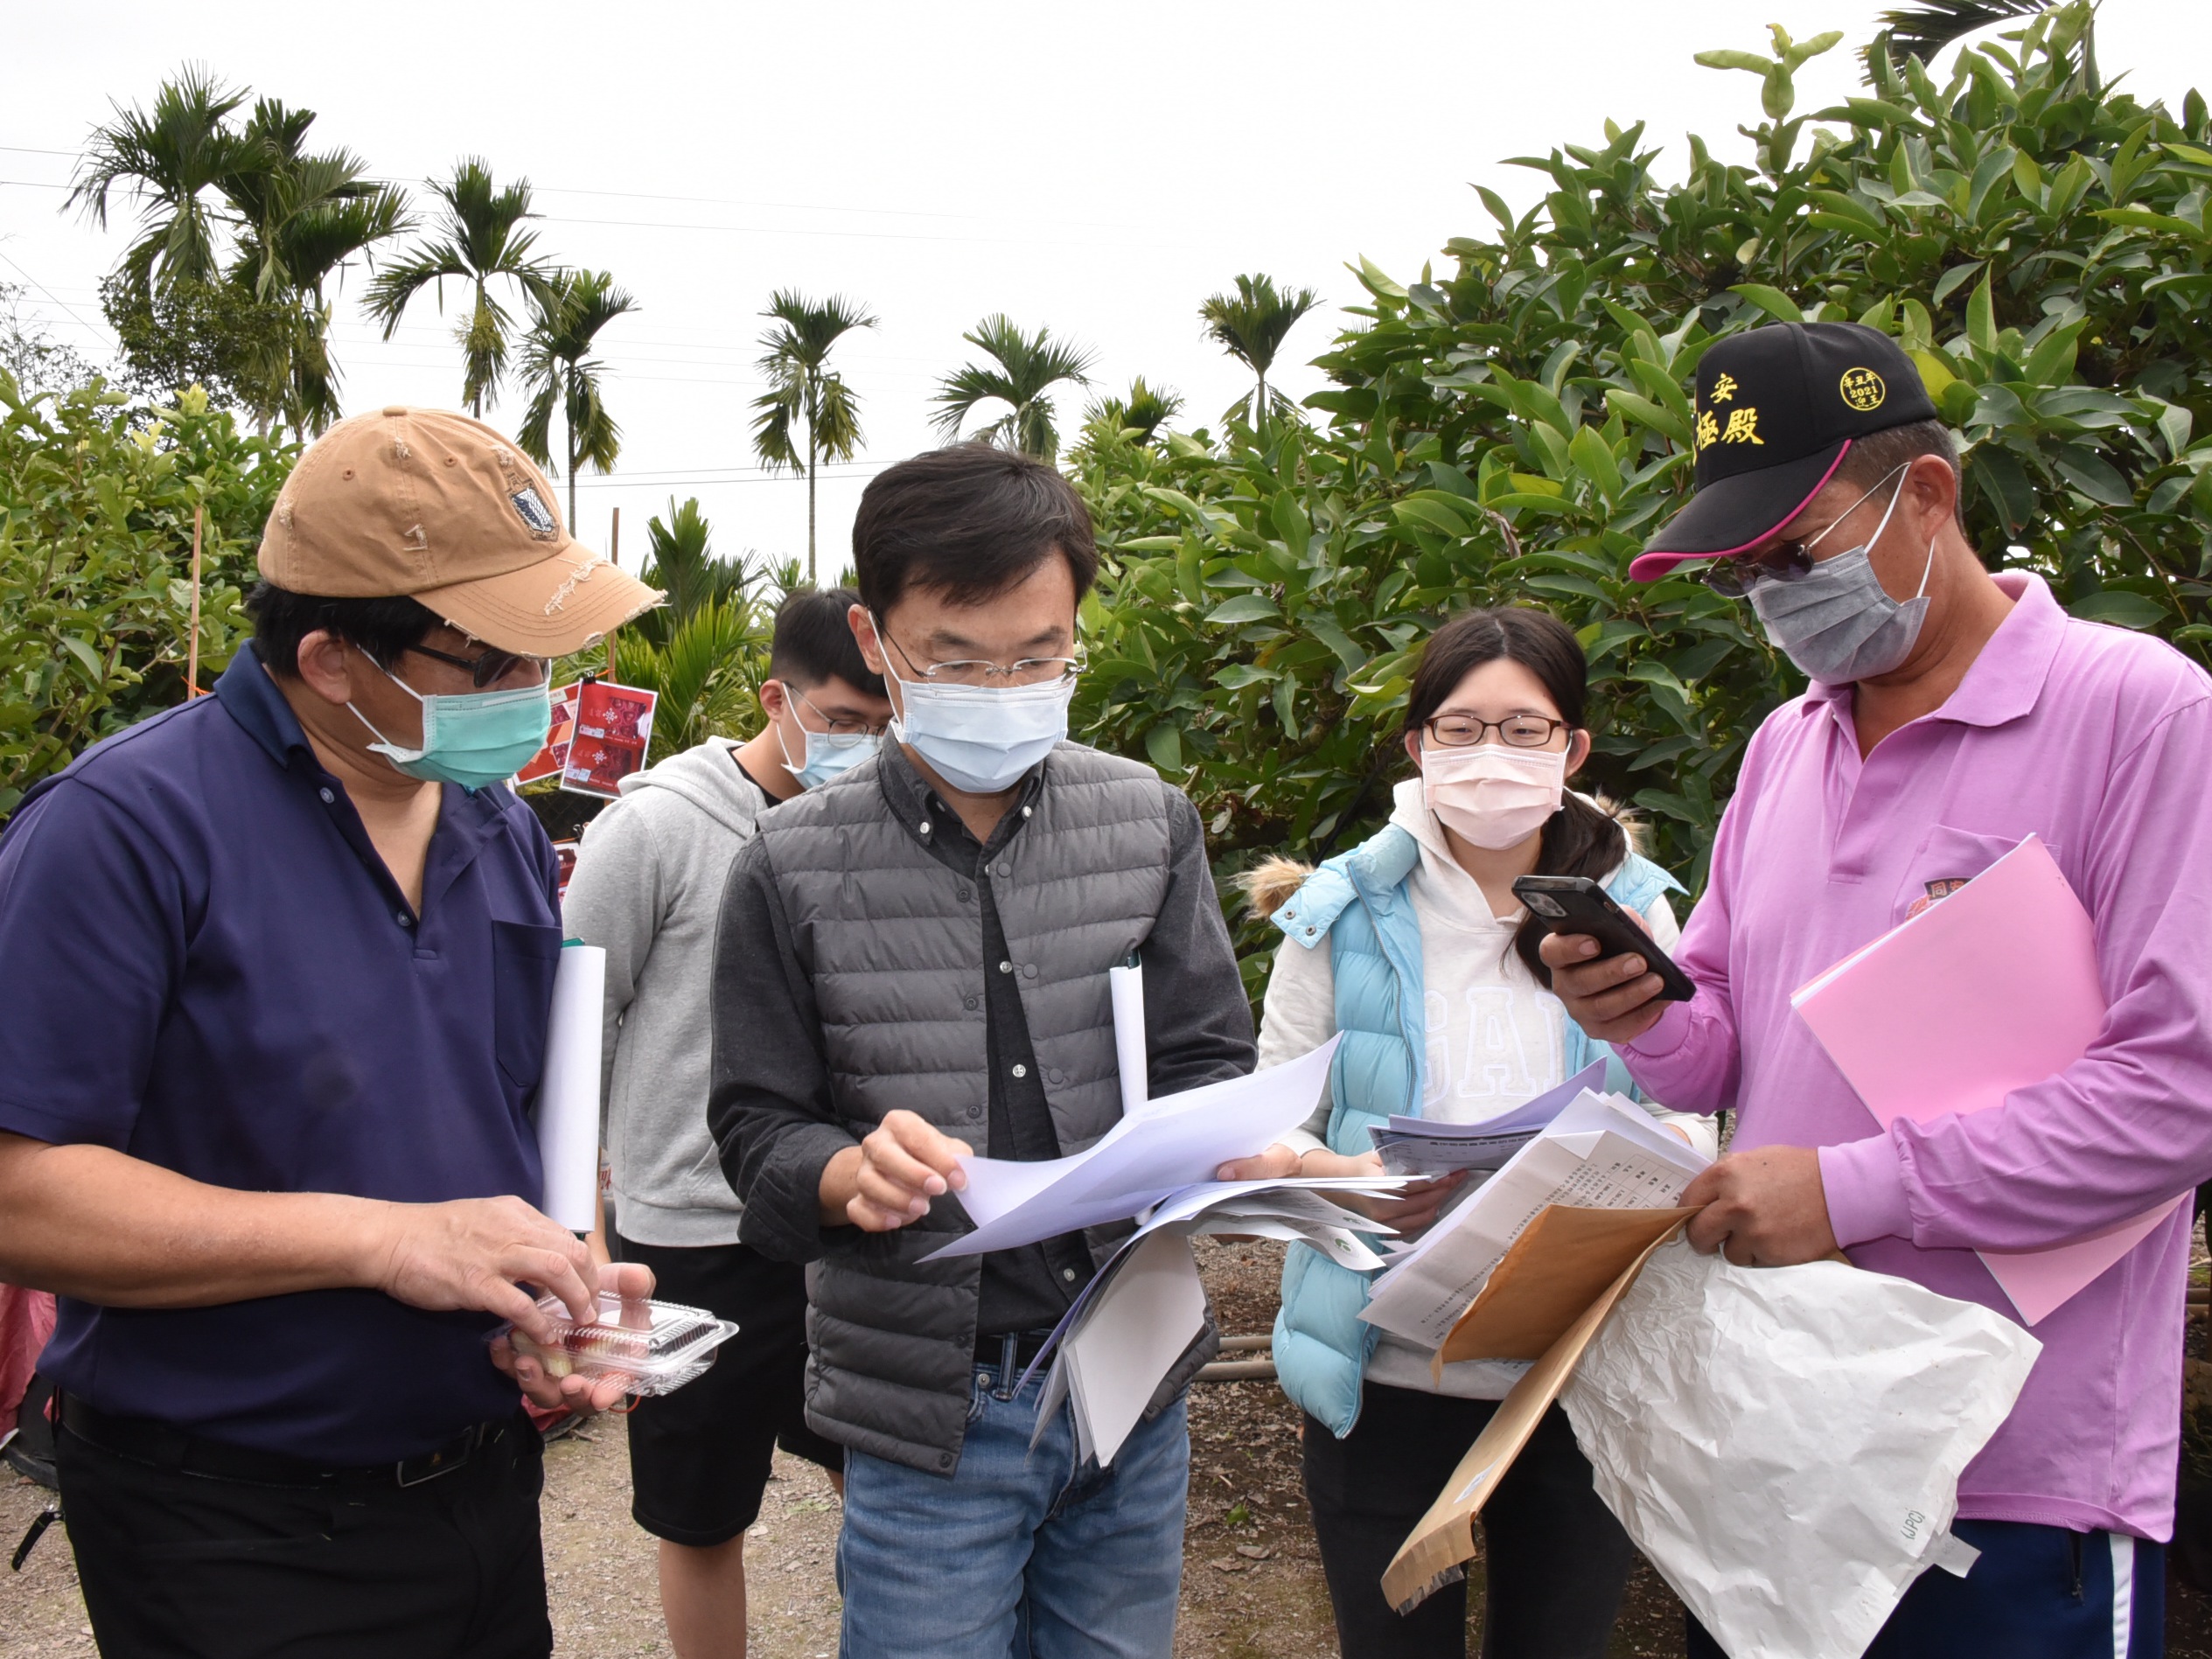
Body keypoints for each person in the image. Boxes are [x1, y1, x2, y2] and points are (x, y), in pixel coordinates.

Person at [1545, 320, 2209, 1659]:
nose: (1777, 597)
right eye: (1741, 578)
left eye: (1794, 552)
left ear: (1928, 496)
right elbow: (1726, 1036)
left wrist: (1851, 1191)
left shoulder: (2140, 712)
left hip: (2009, 1470)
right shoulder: (1783, 744)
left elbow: (2176, 1094)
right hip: (1783, 1447)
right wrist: (1639, 1010)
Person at [0, 407, 662, 1659]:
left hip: (475, 1486)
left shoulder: (493, 826)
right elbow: (20, 1193)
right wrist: (380, 1241)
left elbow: (508, 1112)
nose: (537, 699)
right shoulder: (123, 830)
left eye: (550, 660)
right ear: (331, 657)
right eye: (497, 664)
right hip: (227, 1523)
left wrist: (562, 1282)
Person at [708, 443, 1256, 1659]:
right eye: (957, 658)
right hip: (930, 1399)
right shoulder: (789, 866)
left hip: (1132, 1371)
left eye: (1038, 656)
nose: (1001, 685)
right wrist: (847, 1174)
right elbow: (754, 1123)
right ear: (877, 636)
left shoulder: (1146, 821)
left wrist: (1236, 1146)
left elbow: (1208, 1052)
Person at [1225, 606, 1714, 1659]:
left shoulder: (1632, 908)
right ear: (1416, 746)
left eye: (1525, 727)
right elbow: (1265, 1128)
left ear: (1573, 748)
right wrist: (1339, 1179)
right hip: (1384, 1367)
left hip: (1572, 1369)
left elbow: (1686, 1106)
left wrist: (1659, 1177)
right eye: (1460, 725)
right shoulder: (1340, 909)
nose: (1491, 753)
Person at [562, 587, 891, 1659]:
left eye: (888, 725)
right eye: (844, 720)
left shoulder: (885, 827)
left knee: (881, 1477)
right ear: (777, 699)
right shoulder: (656, 826)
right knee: (701, 1511)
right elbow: (575, 1026)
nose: (867, 745)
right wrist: (588, 1232)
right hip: (689, 1233)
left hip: (839, 1213)